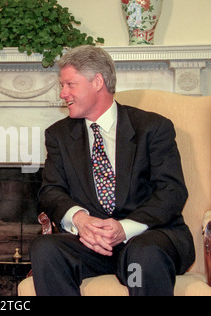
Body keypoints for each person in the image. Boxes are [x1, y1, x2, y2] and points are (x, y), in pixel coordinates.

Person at [31, 45, 195, 296]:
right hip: (92, 246)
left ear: (97, 82)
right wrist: (81, 220)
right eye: (62, 86)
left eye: (70, 84)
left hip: (147, 236)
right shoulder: (59, 135)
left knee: (144, 255)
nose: (62, 94)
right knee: (45, 248)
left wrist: (124, 228)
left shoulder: (152, 128)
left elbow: (172, 191)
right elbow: (51, 191)